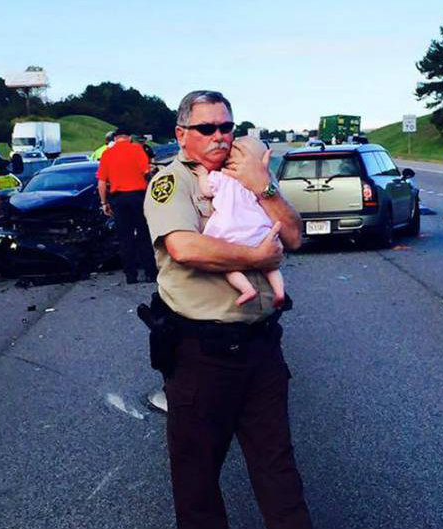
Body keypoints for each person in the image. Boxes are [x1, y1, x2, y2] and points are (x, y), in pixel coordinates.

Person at [143, 90, 312, 529]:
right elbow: (183, 246)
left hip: (261, 349)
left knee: (278, 468)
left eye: (226, 127)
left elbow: (294, 236)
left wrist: (265, 186)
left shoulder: (249, 175)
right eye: (206, 128)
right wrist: (257, 259)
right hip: (202, 355)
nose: (220, 137)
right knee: (196, 479)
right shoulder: (173, 181)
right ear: (182, 135)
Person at [194, 136, 285, 308]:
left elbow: (206, 190)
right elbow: (267, 186)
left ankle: (246, 289)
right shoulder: (256, 180)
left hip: (229, 230)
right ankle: (279, 291)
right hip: (258, 229)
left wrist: (202, 174)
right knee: (270, 266)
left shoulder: (220, 177)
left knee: (228, 266)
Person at [97, 128, 157, 284]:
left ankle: (131, 276)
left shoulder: (107, 154)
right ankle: (150, 272)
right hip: (138, 197)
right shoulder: (137, 150)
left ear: (115, 138)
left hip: (119, 199)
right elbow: (147, 172)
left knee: (125, 238)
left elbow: (102, 182)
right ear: (129, 137)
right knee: (144, 235)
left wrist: (104, 202)